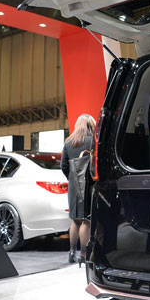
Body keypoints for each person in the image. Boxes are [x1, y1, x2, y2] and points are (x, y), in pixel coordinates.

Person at [61, 113, 96, 266]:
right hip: (88, 185)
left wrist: (72, 179)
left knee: (75, 220)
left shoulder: (69, 142)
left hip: (73, 186)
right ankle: (83, 255)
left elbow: (63, 166)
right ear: (90, 125)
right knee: (86, 221)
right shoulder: (93, 141)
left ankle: (71, 252)